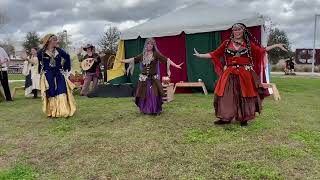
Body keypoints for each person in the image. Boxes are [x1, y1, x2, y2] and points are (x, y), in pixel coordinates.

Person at [193, 23, 287, 126]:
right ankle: (225, 118)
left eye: (239, 30)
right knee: (226, 95)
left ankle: (244, 118)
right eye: (235, 30)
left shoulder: (248, 44)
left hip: (245, 74)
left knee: (245, 95)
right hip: (229, 73)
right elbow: (214, 54)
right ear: (232, 32)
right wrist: (200, 55)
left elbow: (261, 51)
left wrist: (276, 45)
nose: (237, 32)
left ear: (243, 31)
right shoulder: (226, 43)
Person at [121, 38, 183, 115]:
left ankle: (155, 110)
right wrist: (123, 61)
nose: (149, 45)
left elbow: (166, 60)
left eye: (151, 44)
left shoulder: (156, 54)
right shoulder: (142, 55)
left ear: (153, 46)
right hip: (144, 79)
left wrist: (176, 65)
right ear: (146, 45)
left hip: (153, 79)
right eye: (148, 44)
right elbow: (134, 59)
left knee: (154, 94)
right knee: (144, 94)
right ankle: (145, 109)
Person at [37, 33, 76, 117]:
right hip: (48, 74)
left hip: (59, 72)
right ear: (49, 41)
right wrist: (41, 71)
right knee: (51, 91)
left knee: (62, 89)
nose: (56, 41)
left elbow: (67, 57)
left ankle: (63, 111)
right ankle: (52, 111)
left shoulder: (59, 50)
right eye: (54, 40)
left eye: (56, 39)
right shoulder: (41, 52)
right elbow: (39, 63)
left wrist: (65, 68)